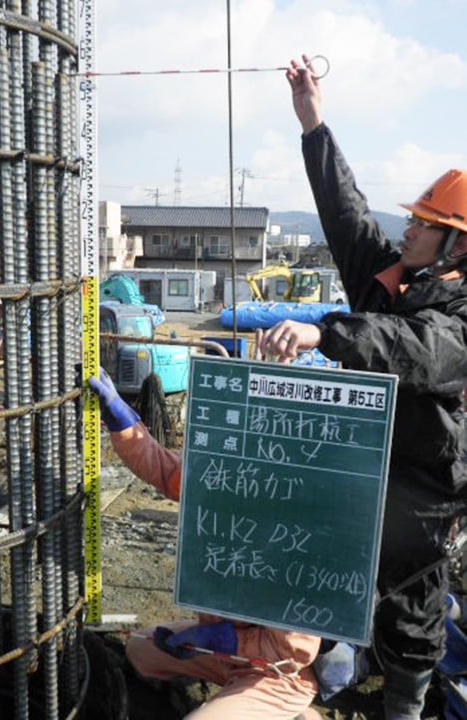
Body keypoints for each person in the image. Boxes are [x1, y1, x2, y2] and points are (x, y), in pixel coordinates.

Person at [257, 54, 467, 720]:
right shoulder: (394, 279)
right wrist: (312, 122)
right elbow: (346, 217)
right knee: (342, 577)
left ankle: (404, 699)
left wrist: (327, 333)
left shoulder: (456, 317)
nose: (407, 227)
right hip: (366, 469)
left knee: (412, 607)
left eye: (423, 223)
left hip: (428, 489)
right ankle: (347, 657)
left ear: (457, 246)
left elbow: (414, 347)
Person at [89, 370, 324, 720]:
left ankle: (291, 712)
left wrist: (226, 640)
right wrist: (120, 417)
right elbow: (161, 467)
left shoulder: (300, 526)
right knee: (140, 650)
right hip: (228, 651)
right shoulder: (224, 480)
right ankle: (237, 700)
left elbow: (296, 650)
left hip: (278, 671)